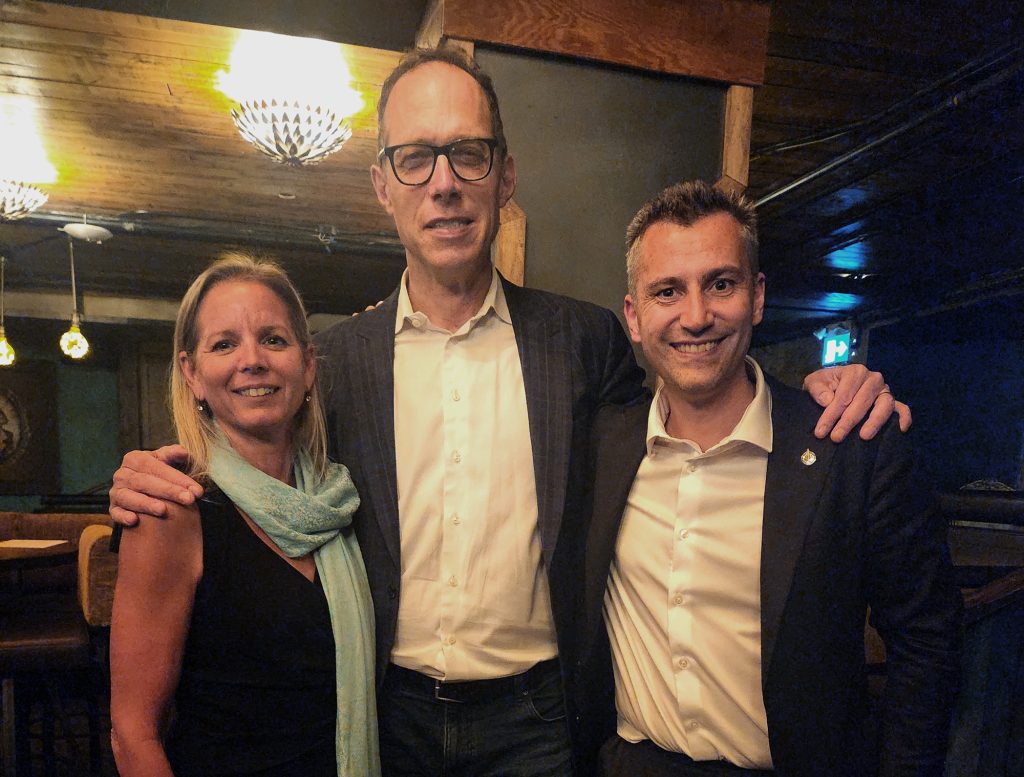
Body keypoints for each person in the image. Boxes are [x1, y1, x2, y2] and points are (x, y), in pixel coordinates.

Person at [109, 47, 907, 777]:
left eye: (469, 153)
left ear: (505, 175)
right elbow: (264, 451)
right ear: (383, 185)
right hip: (387, 714)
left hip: (539, 717)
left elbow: (692, 389)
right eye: (415, 159)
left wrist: (817, 392)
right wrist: (155, 470)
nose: (445, 183)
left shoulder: (584, 340)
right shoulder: (338, 362)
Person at [579, 181, 962, 776]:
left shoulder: (852, 445)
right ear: (634, 316)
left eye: (721, 284)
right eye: (667, 292)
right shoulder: (602, 445)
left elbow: (927, 643)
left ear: (756, 297)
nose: (696, 316)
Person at [109, 254, 379, 777]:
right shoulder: (172, 508)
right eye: (224, 343)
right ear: (192, 374)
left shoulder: (339, 504)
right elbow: (132, 733)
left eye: (274, 339)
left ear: (307, 365)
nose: (252, 360)